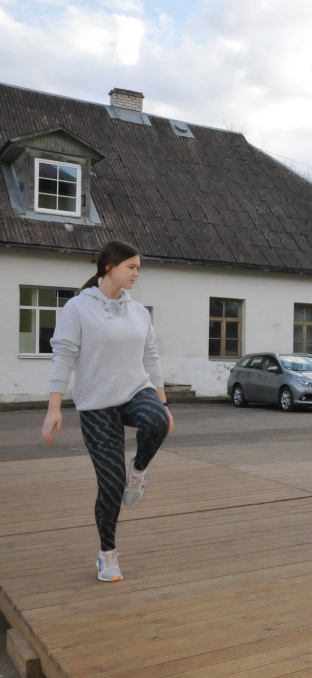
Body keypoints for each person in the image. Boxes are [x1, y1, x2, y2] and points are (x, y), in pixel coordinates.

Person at [41, 240, 172, 582]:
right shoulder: (77, 309)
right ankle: (107, 554)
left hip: (134, 391)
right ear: (109, 267)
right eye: (131, 267)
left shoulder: (139, 312)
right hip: (97, 405)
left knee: (157, 420)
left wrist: (163, 402)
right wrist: (54, 407)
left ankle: (138, 471)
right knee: (111, 485)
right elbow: (64, 356)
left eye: (138, 268)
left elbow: (151, 358)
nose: (136, 274)